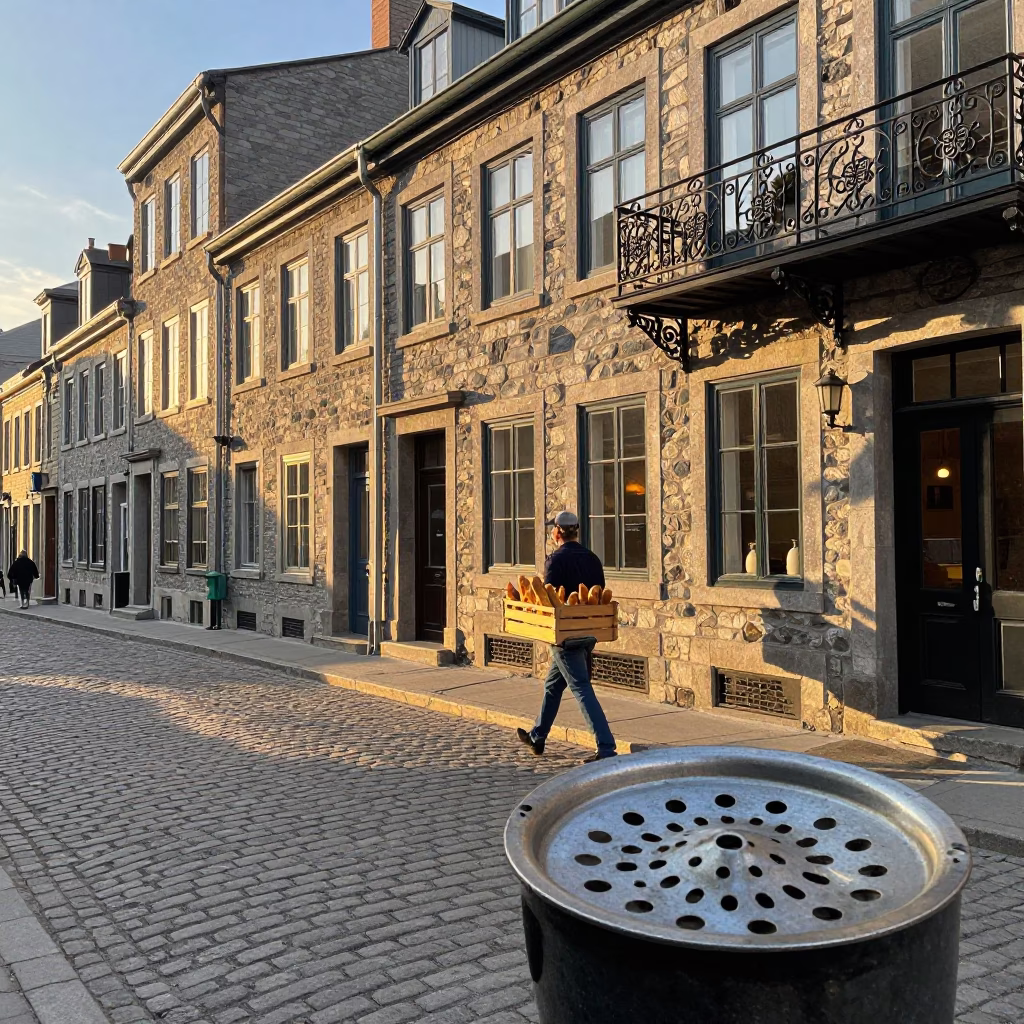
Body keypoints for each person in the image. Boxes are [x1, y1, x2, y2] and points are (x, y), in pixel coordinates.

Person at [517, 511, 617, 764]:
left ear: (558, 532)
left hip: (565, 634)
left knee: (581, 687)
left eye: (552, 529)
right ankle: (537, 736)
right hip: (592, 629)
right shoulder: (592, 558)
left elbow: (548, 598)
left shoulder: (556, 559)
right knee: (553, 686)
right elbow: (599, 594)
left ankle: (606, 747)